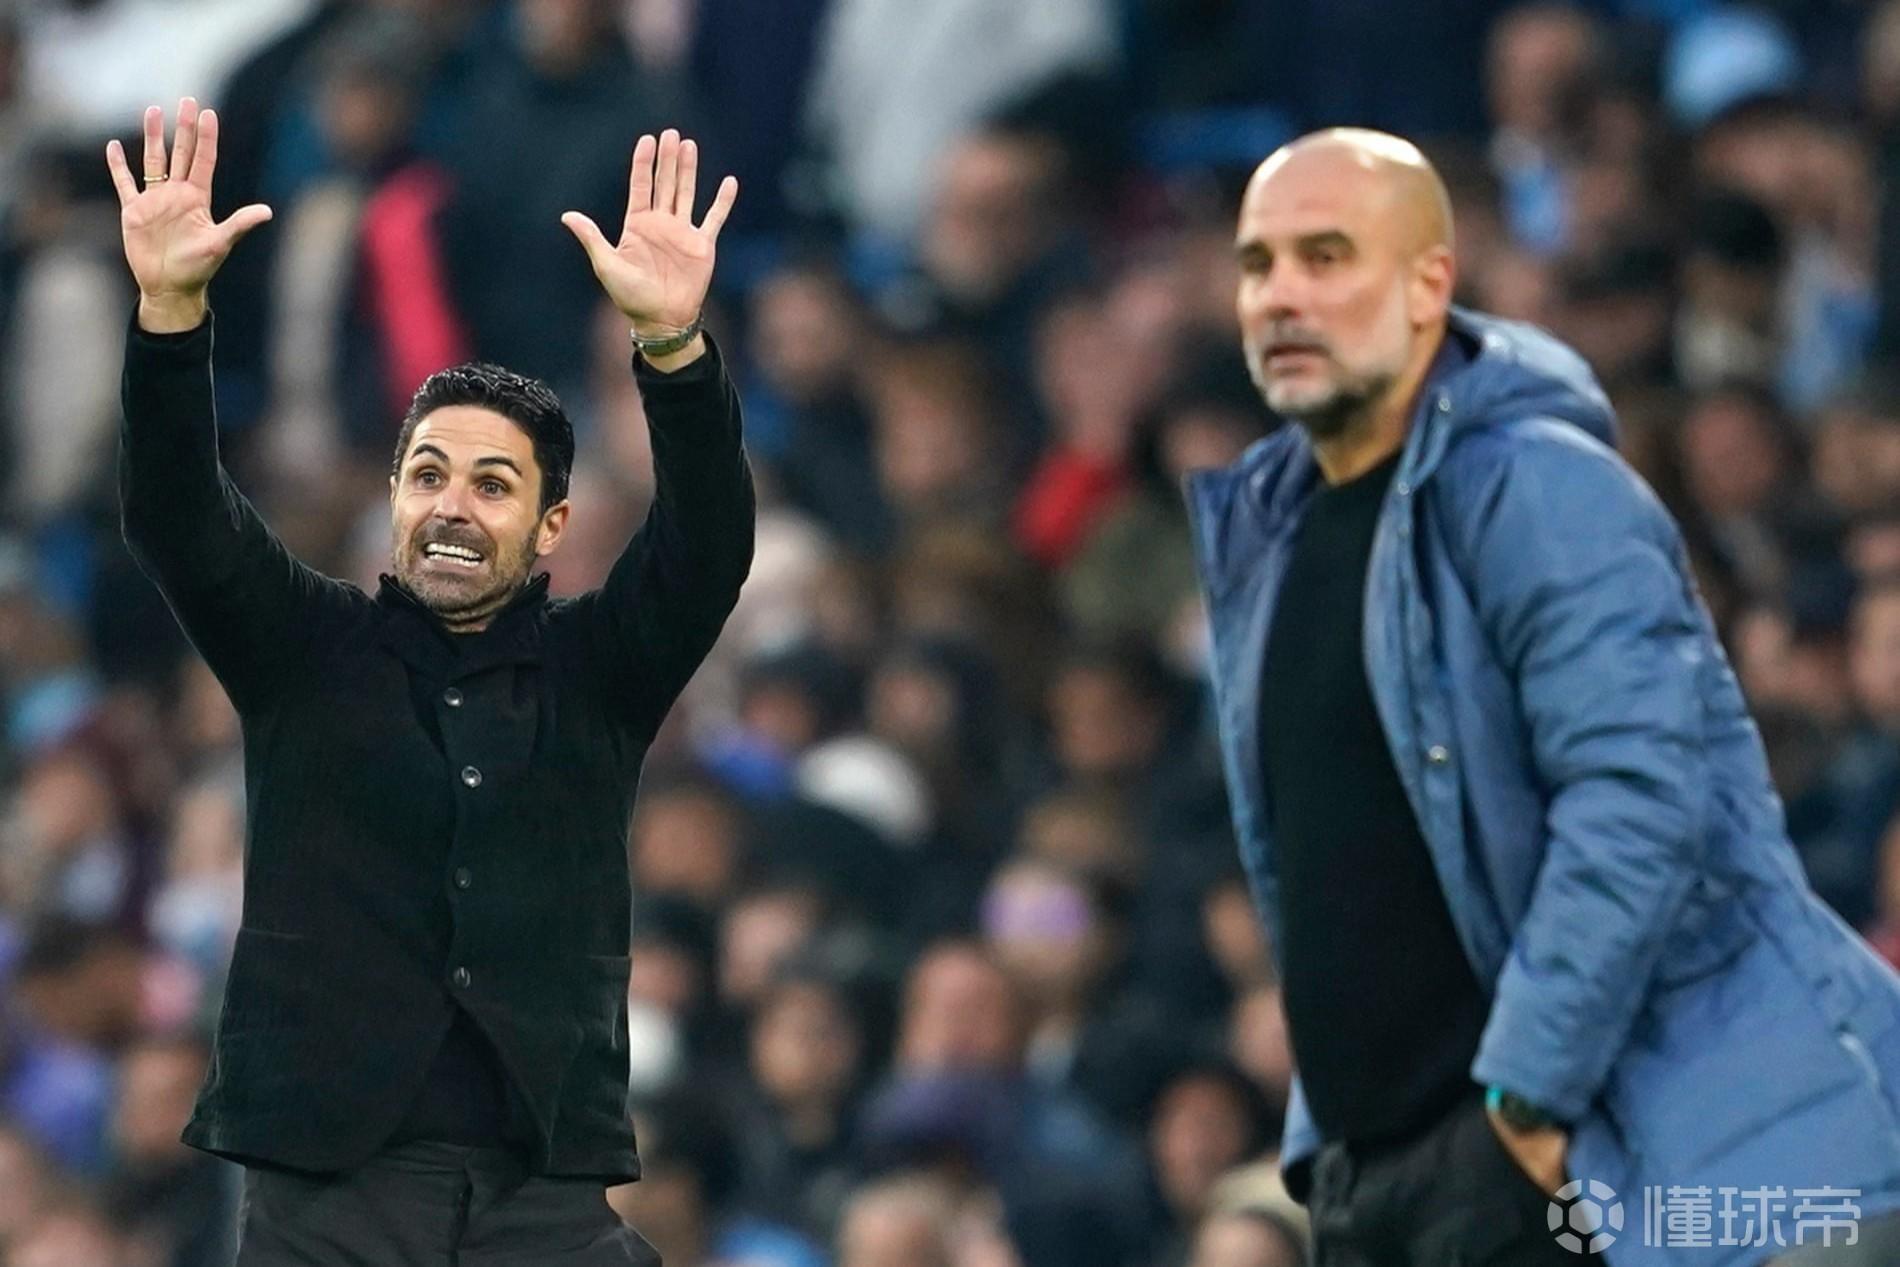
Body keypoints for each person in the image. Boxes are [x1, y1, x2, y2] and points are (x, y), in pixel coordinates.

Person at [1187, 126, 1900, 1266]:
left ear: (1429, 284)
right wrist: (1333, 1145)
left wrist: (1527, 1092)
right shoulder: (1268, 535)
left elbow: (1637, 797)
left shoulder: (1538, 486)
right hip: (1382, 1180)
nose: (1281, 296)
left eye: (1326, 257)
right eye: (1257, 264)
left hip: (1563, 1149)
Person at [107, 99, 753, 1263]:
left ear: (551, 525)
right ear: (396, 495)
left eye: (493, 485)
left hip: (544, 1199)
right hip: (330, 1201)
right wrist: (168, 317)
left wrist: (672, 351)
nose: (453, 504)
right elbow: (176, 516)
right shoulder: (304, 649)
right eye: (429, 474)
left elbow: (706, 548)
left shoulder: (599, 672)